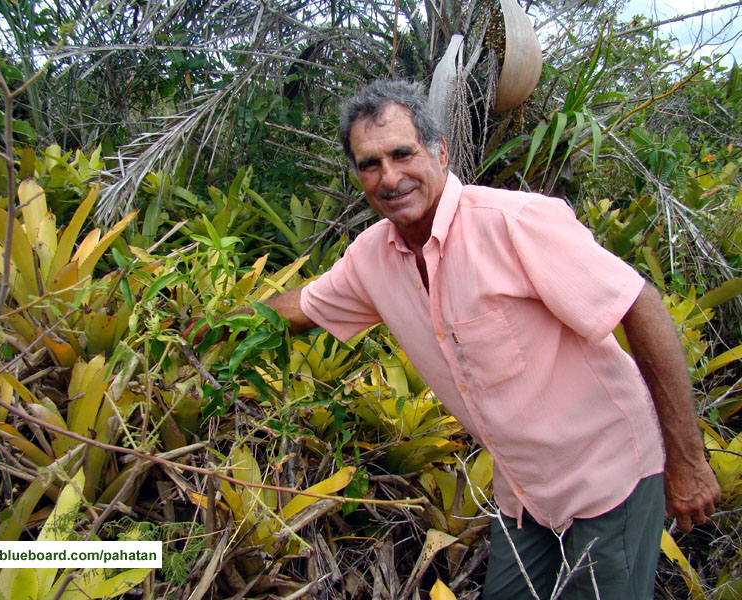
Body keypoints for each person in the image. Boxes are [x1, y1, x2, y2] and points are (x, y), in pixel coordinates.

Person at [234, 79, 720, 598]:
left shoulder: (515, 223)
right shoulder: (371, 259)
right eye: (370, 164)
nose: (390, 177)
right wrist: (212, 325)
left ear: (440, 152)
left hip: (610, 480)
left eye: (403, 153)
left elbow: (637, 303)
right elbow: (300, 308)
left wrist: (687, 458)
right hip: (525, 495)